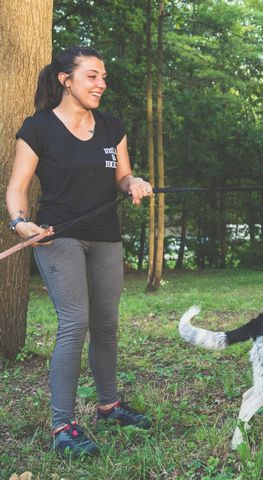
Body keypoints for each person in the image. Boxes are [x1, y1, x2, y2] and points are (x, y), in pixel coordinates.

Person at [6, 46, 154, 458]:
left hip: (105, 235)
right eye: (92, 76)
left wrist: (135, 183)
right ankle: (63, 425)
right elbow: (18, 187)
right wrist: (20, 222)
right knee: (75, 323)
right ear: (65, 80)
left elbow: (123, 177)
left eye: (103, 77)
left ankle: (109, 404)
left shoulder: (111, 127)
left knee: (106, 324)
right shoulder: (37, 129)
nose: (101, 84)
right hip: (58, 235)